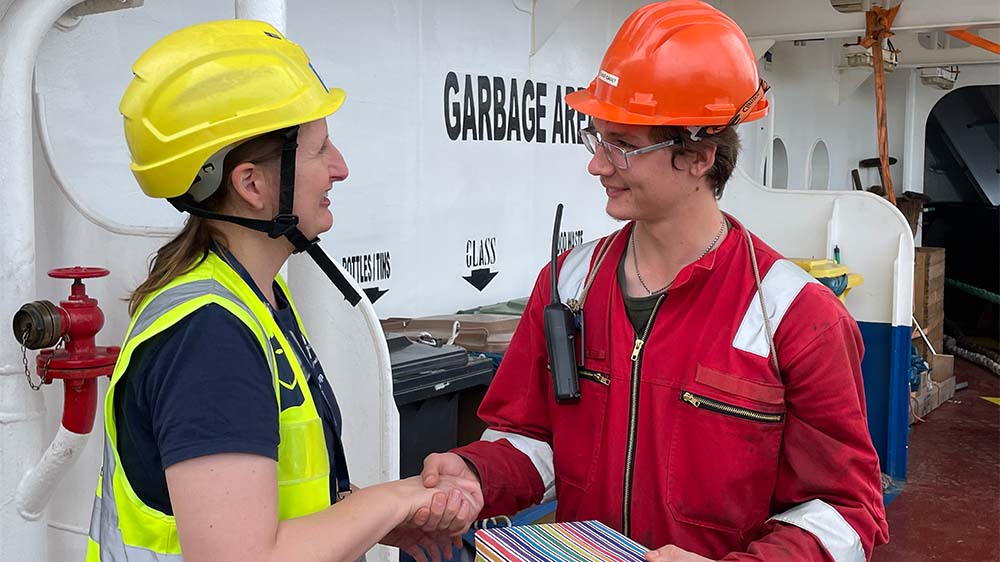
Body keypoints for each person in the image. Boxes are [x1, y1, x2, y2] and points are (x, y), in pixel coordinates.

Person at [421, 2, 889, 561]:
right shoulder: (567, 283)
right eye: (596, 138)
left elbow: (843, 513)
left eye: (622, 145)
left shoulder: (796, 317)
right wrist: (478, 474)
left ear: (698, 157)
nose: (597, 164)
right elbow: (533, 437)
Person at [86, 20, 478, 562]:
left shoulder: (250, 300)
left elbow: (269, 504)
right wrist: (395, 500)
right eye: (320, 149)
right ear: (251, 184)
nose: (340, 168)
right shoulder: (210, 338)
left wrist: (379, 520)